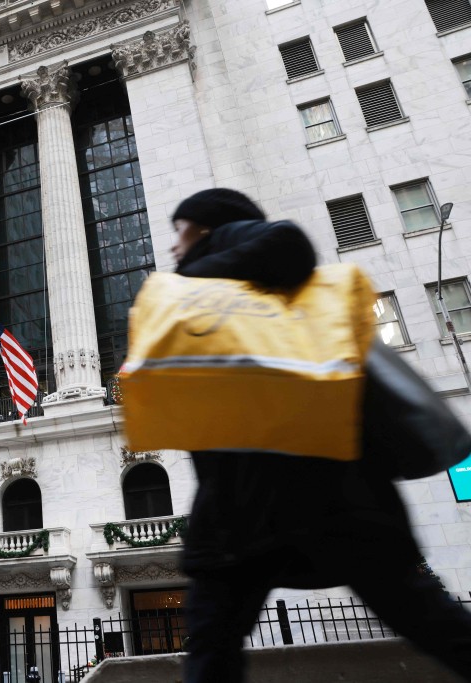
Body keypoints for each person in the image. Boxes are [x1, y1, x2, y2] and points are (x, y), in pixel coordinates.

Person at [168, 188, 471, 683]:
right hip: (273, 502)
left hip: (299, 495)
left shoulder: (239, 256)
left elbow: (287, 242)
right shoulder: (235, 294)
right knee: (212, 639)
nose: (175, 246)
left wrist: (187, 278)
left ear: (206, 229)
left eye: (181, 231)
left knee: (426, 618)